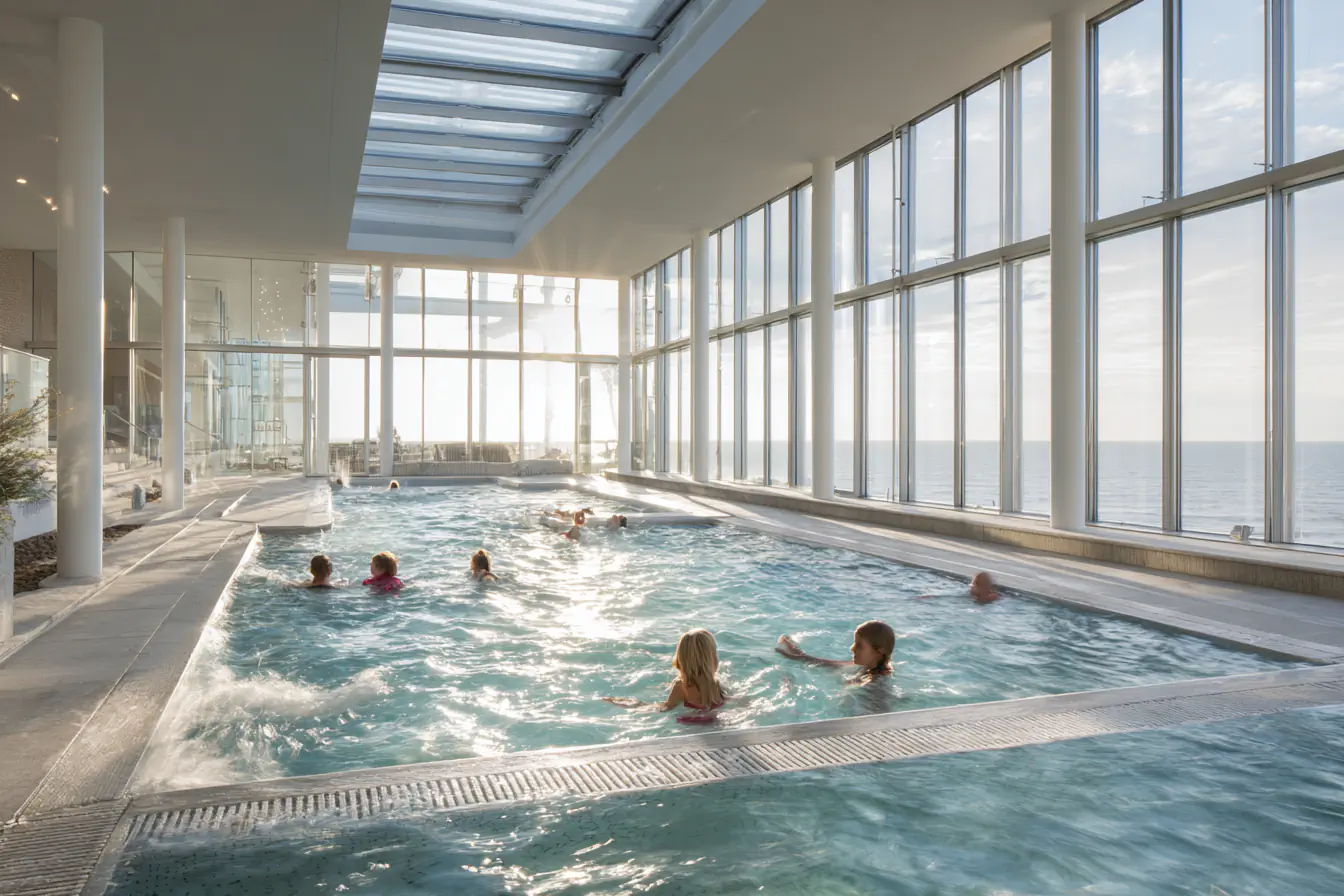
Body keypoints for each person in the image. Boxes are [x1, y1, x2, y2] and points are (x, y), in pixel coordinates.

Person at [604, 629, 725, 722]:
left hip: (690, 726)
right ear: (712, 658)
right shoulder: (716, 683)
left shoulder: (681, 686)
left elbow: (665, 708)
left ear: (681, 659)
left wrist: (632, 704)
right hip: (715, 722)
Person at [775, 620, 896, 683]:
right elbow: (827, 664)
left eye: (859, 645)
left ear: (878, 652)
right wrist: (800, 656)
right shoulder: (868, 667)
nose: (852, 648)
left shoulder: (875, 686)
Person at [918, 571, 1000, 604]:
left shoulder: (993, 597)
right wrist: (933, 597)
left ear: (981, 587)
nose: (970, 587)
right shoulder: (972, 596)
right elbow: (952, 597)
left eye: (973, 585)